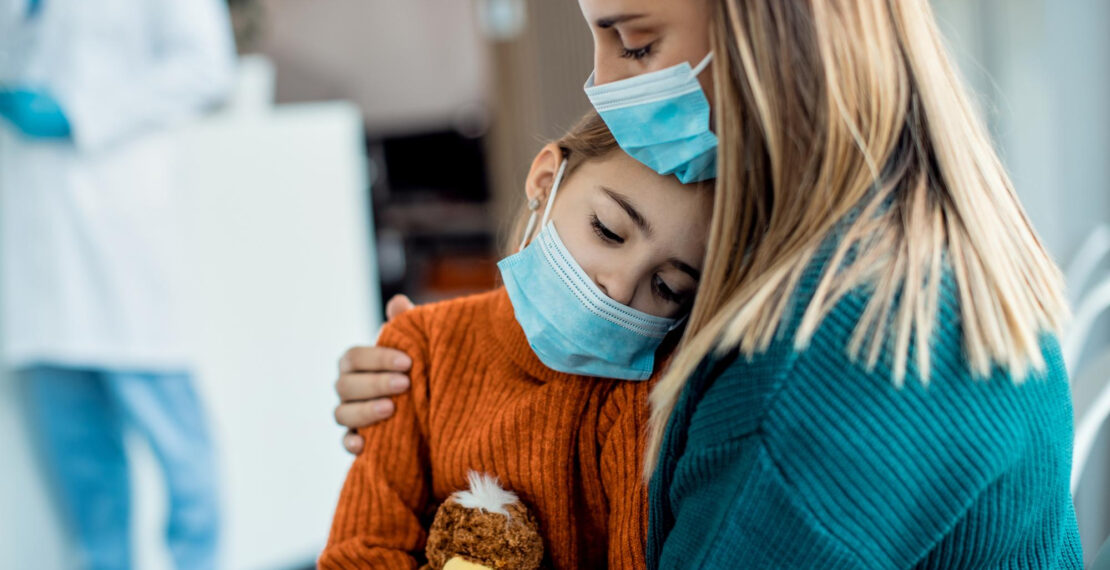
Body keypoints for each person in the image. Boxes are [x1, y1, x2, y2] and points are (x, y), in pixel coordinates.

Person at [335, 0, 1082, 567]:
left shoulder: (825, 366)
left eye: (634, 43)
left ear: (769, 26)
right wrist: (435, 382)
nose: (601, 86)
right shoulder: (878, 258)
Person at [319, 112, 713, 569]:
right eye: (607, 230)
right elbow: (357, 554)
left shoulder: (642, 398)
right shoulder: (420, 347)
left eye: (667, 287)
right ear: (546, 182)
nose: (620, 288)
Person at [0, 0, 236, 568]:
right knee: (79, 457)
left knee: (177, 444)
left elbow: (206, 66)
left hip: (118, 217)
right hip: (35, 233)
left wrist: (81, 110)